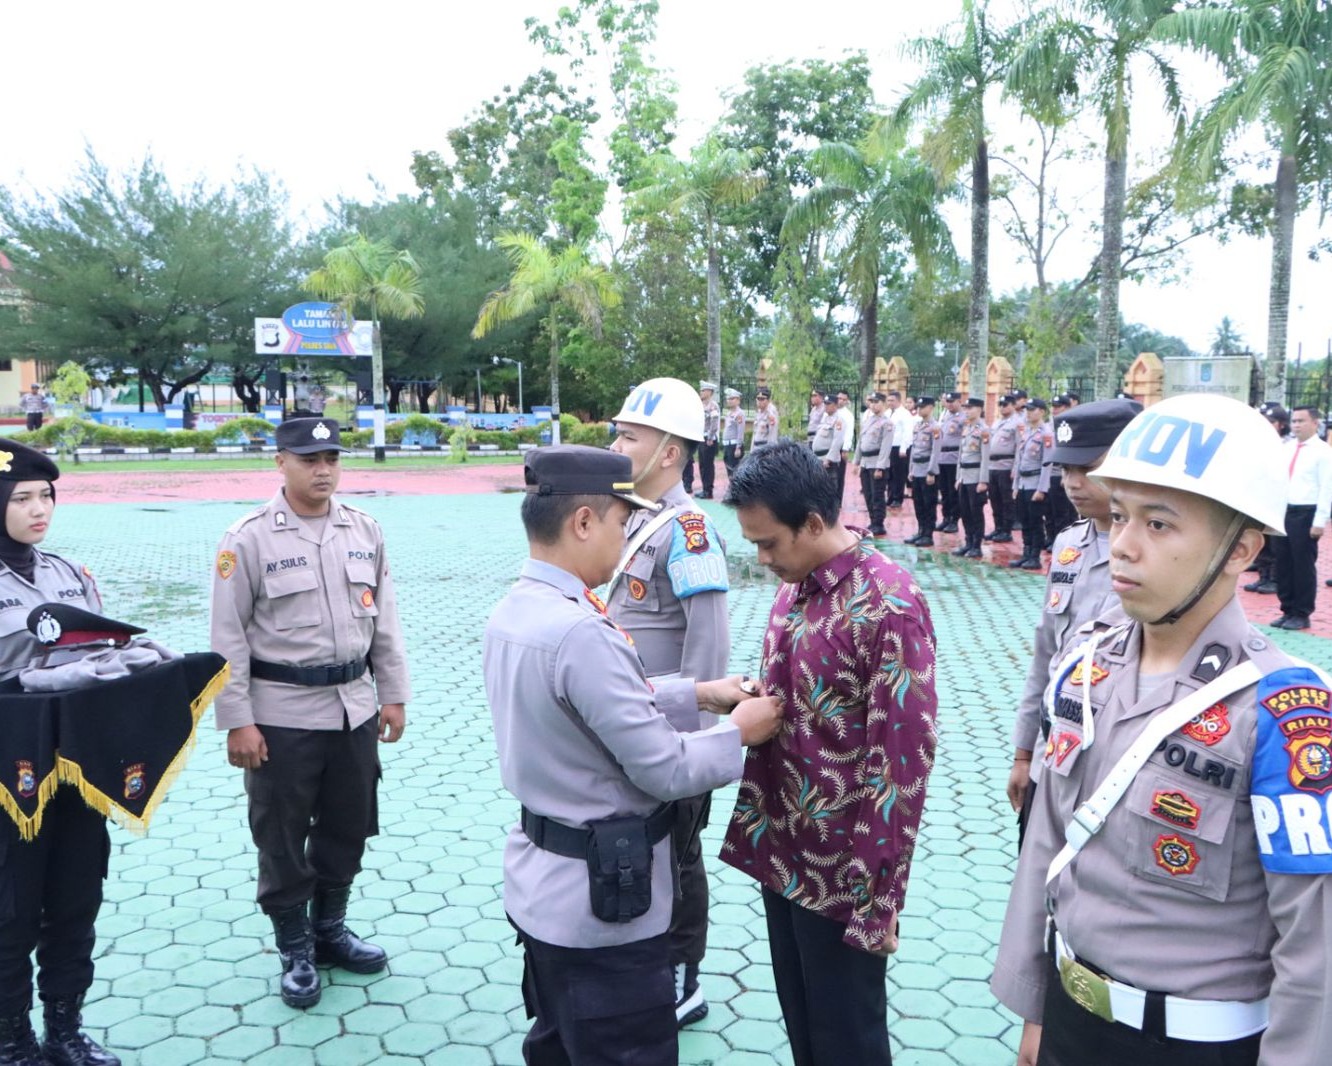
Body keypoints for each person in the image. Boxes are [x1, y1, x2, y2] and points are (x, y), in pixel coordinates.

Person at [992, 393, 1332, 1066]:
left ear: (1241, 549)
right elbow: (1048, 842)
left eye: (1159, 524)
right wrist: (1034, 1002)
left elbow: (1314, 940)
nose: (1121, 544)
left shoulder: (1282, 711)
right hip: (1070, 1019)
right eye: (1119, 516)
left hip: (1194, 1045)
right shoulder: (1086, 664)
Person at [484, 445, 781, 1066]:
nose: (625, 540)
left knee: (557, 1045)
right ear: (584, 522)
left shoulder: (518, 610)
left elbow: (590, 706)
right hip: (604, 914)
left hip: (545, 892)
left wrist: (700, 693)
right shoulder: (581, 632)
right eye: (622, 524)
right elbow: (666, 769)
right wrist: (741, 732)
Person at [720, 441, 938, 1066]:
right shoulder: (796, 586)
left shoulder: (889, 603)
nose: (762, 560)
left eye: (769, 544)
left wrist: (878, 898)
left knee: (849, 1041)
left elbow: (902, 758)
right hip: (785, 849)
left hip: (845, 871)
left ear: (814, 523)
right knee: (806, 1026)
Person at [210, 417, 410, 1009]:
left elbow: (385, 621)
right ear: (281, 463)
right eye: (308, 459)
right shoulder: (246, 538)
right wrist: (237, 719)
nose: (323, 469)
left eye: (331, 457)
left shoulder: (364, 529)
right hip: (280, 715)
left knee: (349, 825)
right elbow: (227, 639)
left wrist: (392, 692)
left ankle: (329, 932)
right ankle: (295, 948)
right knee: (281, 833)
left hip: (353, 708)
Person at [606, 378, 731, 1027]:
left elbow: (707, 649)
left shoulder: (688, 530)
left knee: (679, 857)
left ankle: (685, 979)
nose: (618, 445)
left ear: (670, 452)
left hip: (673, 737)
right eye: (620, 432)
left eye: (630, 436)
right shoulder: (633, 518)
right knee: (644, 853)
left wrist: (692, 747)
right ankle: (646, 964)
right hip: (632, 727)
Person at [0, 441, 119, 1066]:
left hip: (73, 770)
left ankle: (66, 1028)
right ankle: (12, 1039)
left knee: (75, 898)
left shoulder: (68, 574)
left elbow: (99, 658)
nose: (38, 508)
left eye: (46, 496)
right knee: (10, 912)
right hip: (5, 780)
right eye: (21, 499)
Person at [1003, 399, 1142, 843]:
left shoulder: (1155, 554)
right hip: (1053, 752)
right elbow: (1046, 654)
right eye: (1065, 471)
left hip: (1115, 766)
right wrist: (1025, 755)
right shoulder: (1069, 546)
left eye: (1088, 468)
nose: (1073, 483)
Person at [1269, 404, 1332, 630]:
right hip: (1283, 511)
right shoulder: (1286, 448)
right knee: (1283, 563)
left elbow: (1326, 489)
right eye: (1294, 421)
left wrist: (1319, 522)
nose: (1296, 425)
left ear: (1315, 423)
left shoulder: (1323, 452)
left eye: (1301, 421)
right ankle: (1287, 609)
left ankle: (1302, 612)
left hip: (1306, 513)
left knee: (1303, 565)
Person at [1244, 404, 1288, 596]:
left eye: (1271, 422)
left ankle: (1273, 579)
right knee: (1261, 539)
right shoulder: (1259, 443)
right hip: (1260, 498)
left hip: (1278, 501)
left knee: (1275, 545)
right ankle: (1263, 577)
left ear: (1281, 424)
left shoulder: (1287, 445)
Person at [1009, 398, 1053, 570]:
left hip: (1035, 483)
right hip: (1023, 483)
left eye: (1032, 409)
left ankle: (1034, 556)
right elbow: (1019, 461)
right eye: (1027, 409)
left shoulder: (1046, 433)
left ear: (1042, 411)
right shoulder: (1026, 432)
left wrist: (1042, 489)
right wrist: (1015, 486)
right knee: (1024, 521)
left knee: (1035, 522)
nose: (1028, 412)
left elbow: (1047, 463)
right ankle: (1026, 554)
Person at [954, 397, 990, 558]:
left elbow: (985, 457)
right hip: (964, 476)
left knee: (976, 512)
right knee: (965, 511)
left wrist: (983, 480)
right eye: (965, 408)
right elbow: (961, 455)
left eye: (971, 408)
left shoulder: (984, 430)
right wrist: (958, 477)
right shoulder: (967, 428)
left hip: (976, 477)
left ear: (979, 409)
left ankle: (976, 545)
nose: (967, 411)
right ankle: (968, 542)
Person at [852, 392, 890, 537]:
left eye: (877, 402)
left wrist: (880, 467)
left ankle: (879, 523)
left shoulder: (887, 423)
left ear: (883, 403)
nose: (873, 405)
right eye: (872, 402)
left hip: (876, 463)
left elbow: (886, 447)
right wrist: (856, 462)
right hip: (866, 463)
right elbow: (860, 443)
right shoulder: (868, 420)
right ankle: (873, 520)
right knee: (868, 493)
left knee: (877, 495)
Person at [905, 395, 942, 546]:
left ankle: (928, 534)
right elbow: (914, 449)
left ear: (931, 408)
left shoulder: (935, 427)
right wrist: (911, 469)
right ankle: (920, 531)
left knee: (929, 503)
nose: (919, 409)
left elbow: (935, 451)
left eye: (922, 407)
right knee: (918, 502)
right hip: (917, 468)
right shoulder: (918, 426)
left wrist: (931, 471)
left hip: (927, 469)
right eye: (918, 407)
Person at [986, 394, 1020, 543]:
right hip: (993, 465)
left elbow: (1020, 447)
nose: (1001, 407)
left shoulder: (1018, 423)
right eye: (1000, 404)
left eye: (1005, 404)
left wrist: (1016, 468)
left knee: (1006, 500)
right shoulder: (997, 422)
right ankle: (998, 528)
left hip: (1006, 465)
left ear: (1013, 405)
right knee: (995, 499)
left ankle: (1006, 530)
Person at [682, 381, 720, 499]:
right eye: (701, 390)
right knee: (702, 464)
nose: (701, 392)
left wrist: (710, 437)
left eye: (703, 390)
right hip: (701, 437)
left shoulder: (713, 406)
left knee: (707, 465)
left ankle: (708, 491)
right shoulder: (701, 405)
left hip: (709, 439)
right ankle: (705, 489)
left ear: (709, 392)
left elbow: (714, 424)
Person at [935, 392, 964, 533]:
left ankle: (954, 520)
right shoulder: (945, 416)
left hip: (954, 457)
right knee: (944, 491)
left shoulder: (963, 418)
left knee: (953, 492)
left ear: (959, 401)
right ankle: (946, 518)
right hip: (942, 457)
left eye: (952, 401)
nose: (949, 403)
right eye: (948, 401)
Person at [810, 394, 846, 496]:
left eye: (828, 404)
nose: (826, 406)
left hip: (828, 461)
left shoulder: (839, 420)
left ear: (835, 405)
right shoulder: (825, 418)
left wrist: (829, 458)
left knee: (829, 489)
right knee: (820, 489)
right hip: (819, 458)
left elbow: (837, 441)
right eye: (825, 404)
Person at [884, 391, 913, 510]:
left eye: (892, 400)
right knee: (889, 473)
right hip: (888, 447)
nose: (890, 403)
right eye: (888, 400)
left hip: (899, 447)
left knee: (899, 474)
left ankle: (897, 497)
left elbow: (907, 432)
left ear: (899, 400)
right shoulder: (887, 413)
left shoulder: (904, 414)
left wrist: (903, 448)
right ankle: (890, 496)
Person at [721, 387, 747, 479]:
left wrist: (738, 447)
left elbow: (740, 431)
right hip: (727, 445)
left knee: (735, 469)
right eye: (728, 399)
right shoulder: (728, 413)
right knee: (729, 469)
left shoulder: (739, 413)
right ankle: (731, 487)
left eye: (732, 399)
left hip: (734, 445)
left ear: (738, 400)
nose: (730, 401)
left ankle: (735, 489)